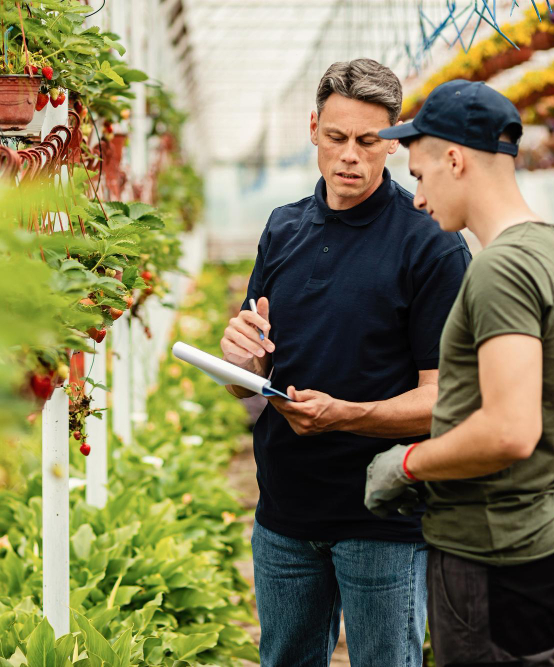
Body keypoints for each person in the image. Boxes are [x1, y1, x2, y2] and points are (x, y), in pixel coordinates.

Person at [219, 59, 471, 667]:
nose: (350, 156)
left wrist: (346, 415)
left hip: (382, 518)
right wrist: (240, 362)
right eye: (336, 137)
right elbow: (251, 382)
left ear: (395, 141)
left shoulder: (431, 241)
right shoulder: (283, 229)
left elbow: (446, 399)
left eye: (369, 140)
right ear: (313, 129)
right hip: (284, 512)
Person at [366, 79, 554, 666]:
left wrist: (407, 464)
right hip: (543, 546)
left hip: (490, 556)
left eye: (420, 177)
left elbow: (510, 431)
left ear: (455, 160)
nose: (418, 200)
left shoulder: (500, 270)